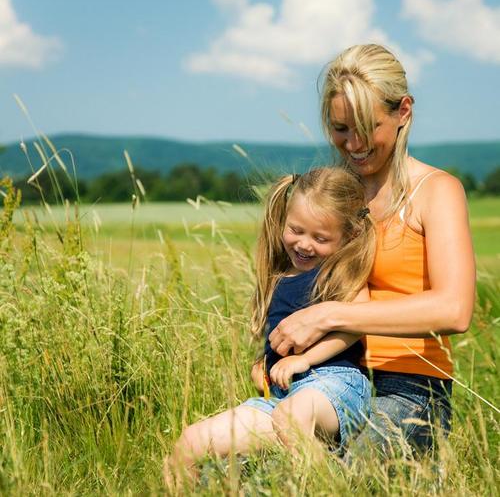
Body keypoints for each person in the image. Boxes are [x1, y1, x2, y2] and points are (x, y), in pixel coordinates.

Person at [268, 44, 476, 458]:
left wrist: (329, 315)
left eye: (367, 126)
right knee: (235, 471)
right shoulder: (332, 197)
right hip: (322, 378)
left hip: (410, 389)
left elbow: (455, 310)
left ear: (403, 112)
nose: (354, 143)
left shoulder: (436, 192)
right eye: (341, 128)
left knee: (340, 478)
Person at [163, 167, 376, 490]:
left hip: (335, 387)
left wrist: (304, 360)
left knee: (292, 418)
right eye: (296, 230)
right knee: (189, 444)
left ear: (348, 236)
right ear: (284, 221)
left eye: (320, 238)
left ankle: (331, 489)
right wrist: (266, 364)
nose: (304, 244)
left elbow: (355, 326)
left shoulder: (341, 273)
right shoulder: (279, 275)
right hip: (281, 398)